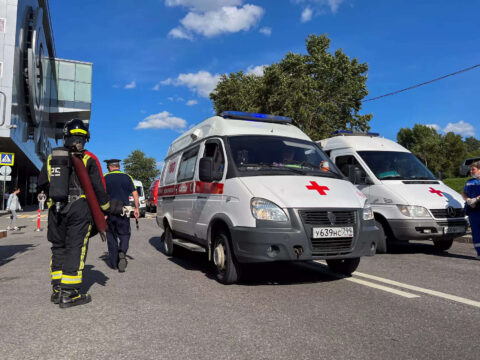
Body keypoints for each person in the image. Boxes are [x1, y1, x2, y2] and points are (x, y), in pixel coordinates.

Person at [38, 119, 110, 308]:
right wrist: (106, 209)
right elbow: (99, 189)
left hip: (55, 209)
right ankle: (69, 294)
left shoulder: (51, 157)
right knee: (75, 248)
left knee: (58, 248)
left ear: (66, 136)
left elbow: (42, 184)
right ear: (85, 138)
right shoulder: (89, 158)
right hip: (79, 208)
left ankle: (57, 290)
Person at [103, 159, 139, 272]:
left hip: (109, 211)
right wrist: (137, 208)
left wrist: (102, 212)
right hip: (124, 210)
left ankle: (113, 263)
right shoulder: (127, 177)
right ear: (118, 166)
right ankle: (122, 251)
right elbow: (135, 194)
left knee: (111, 236)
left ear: (109, 167)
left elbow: (100, 194)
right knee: (124, 234)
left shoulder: (105, 177)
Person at [462, 161, 480, 259]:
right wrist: (468, 199)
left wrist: (476, 199)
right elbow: (464, 193)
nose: (471, 171)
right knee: (476, 232)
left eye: (473, 169)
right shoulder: (469, 182)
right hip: (473, 210)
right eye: (471, 169)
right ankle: (479, 253)